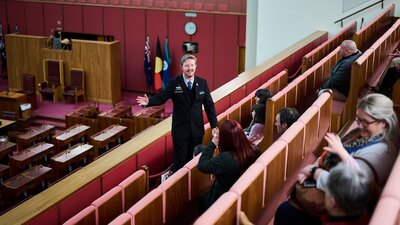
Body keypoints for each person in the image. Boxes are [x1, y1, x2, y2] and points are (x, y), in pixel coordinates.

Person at [274, 93, 400, 225]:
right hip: (341, 189)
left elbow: (351, 188)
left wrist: (314, 171)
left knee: (285, 211)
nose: (360, 126)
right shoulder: (379, 137)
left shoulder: (379, 154)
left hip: (346, 205)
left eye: (366, 122)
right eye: (358, 120)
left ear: (384, 123)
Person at [136, 54, 218, 175]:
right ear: (181, 67)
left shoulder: (202, 83)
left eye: (192, 65)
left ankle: (191, 185)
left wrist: (214, 125)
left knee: (194, 160)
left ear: (196, 66)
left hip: (197, 130)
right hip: (180, 131)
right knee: (180, 161)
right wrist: (149, 102)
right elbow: (162, 97)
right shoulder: (174, 83)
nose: (190, 68)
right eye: (187, 65)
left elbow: (209, 105)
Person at [197, 120, 260, 213]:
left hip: (223, 201)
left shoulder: (226, 159)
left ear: (225, 139)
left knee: (201, 202)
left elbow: (202, 165)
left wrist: (214, 140)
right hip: (245, 195)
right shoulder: (254, 149)